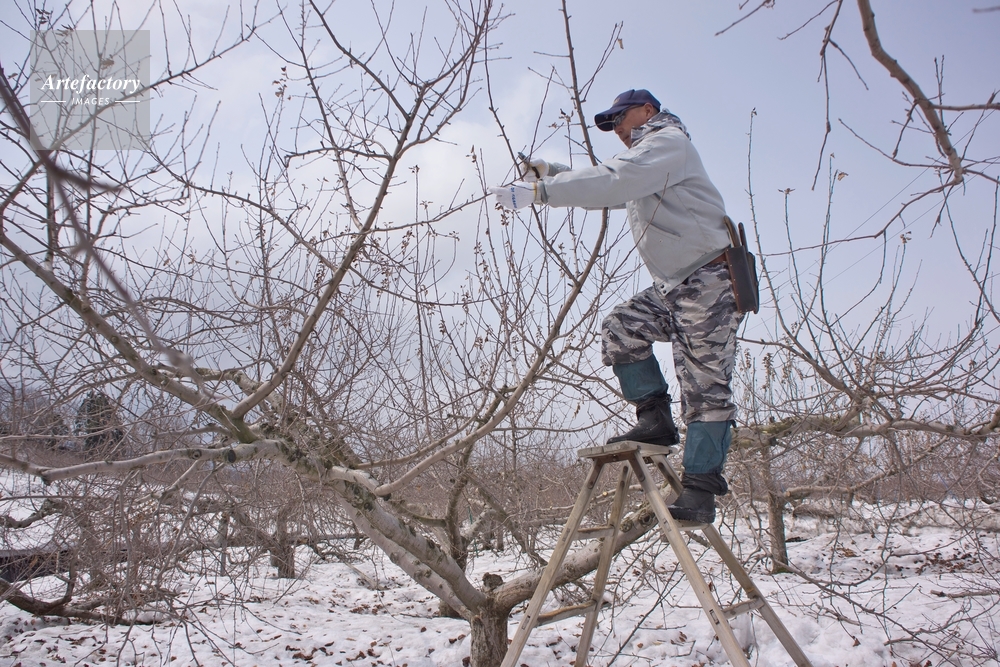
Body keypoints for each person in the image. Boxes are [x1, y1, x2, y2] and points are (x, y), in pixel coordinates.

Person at [489, 89, 744, 523]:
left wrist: (541, 191)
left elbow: (615, 179)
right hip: (674, 287)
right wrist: (552, 172)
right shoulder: (647, 160)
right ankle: (655, 419)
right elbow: (610, 187)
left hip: (708, 281)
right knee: (622, 327)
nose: (617, 130)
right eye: (610, 125)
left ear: (648, 110)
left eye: (619, 119)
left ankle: (701, 491)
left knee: (704, 386)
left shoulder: (668, 143)